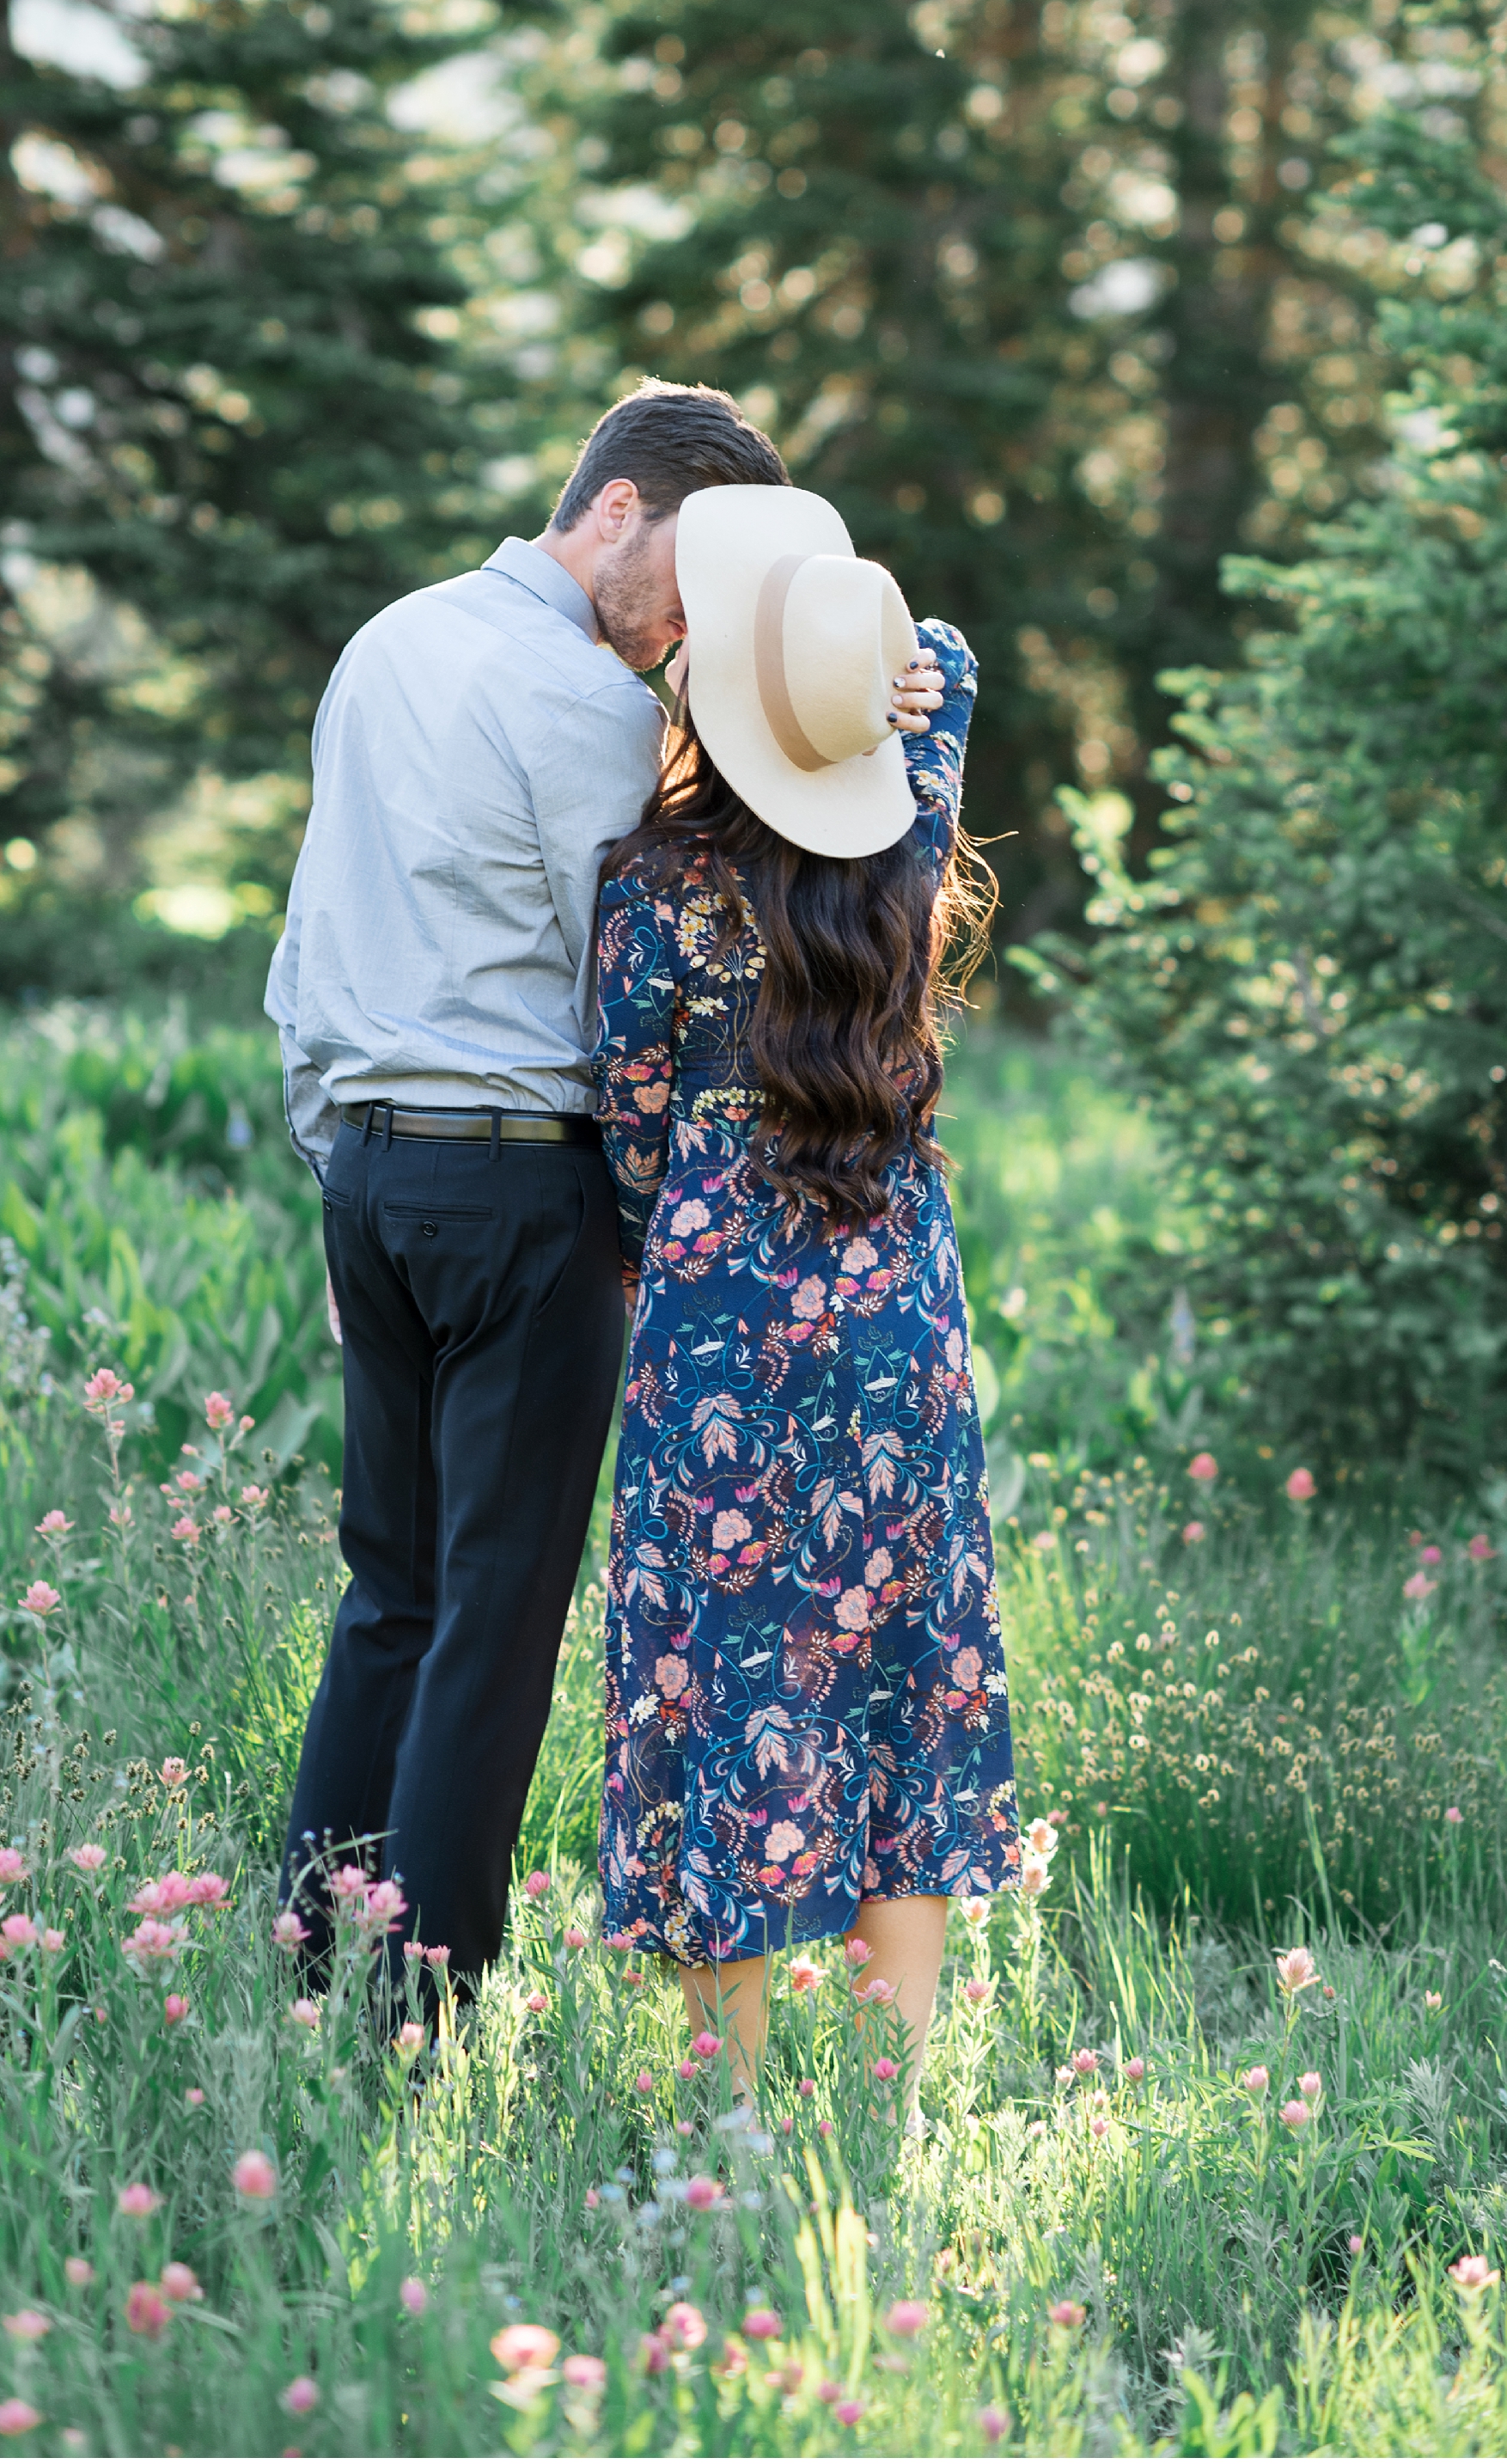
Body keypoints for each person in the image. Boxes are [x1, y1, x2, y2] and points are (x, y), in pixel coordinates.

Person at [264, 382, 828, 2005]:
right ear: (623, 510)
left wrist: (339, 1150)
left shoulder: (385, 640)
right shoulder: (591, 707)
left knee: (394, 1588)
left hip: (368, 1166)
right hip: (524, 1182)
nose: (684, 631)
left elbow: (307, 942)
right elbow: (634, 990)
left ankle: (311, 1963)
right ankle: (417, 2007)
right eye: (691, 584)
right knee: (497, 1615)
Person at [593, 482, 1020, 2106]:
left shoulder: (654, 893)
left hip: (717, 1326)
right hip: (896, 1308)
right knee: (899, 1662)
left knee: (729, 1673)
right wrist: (890, 672)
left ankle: (733, 2101)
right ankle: (897, 2089)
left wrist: (682, 1211)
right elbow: (948, 667)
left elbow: (631, 1133)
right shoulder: (906, 839)